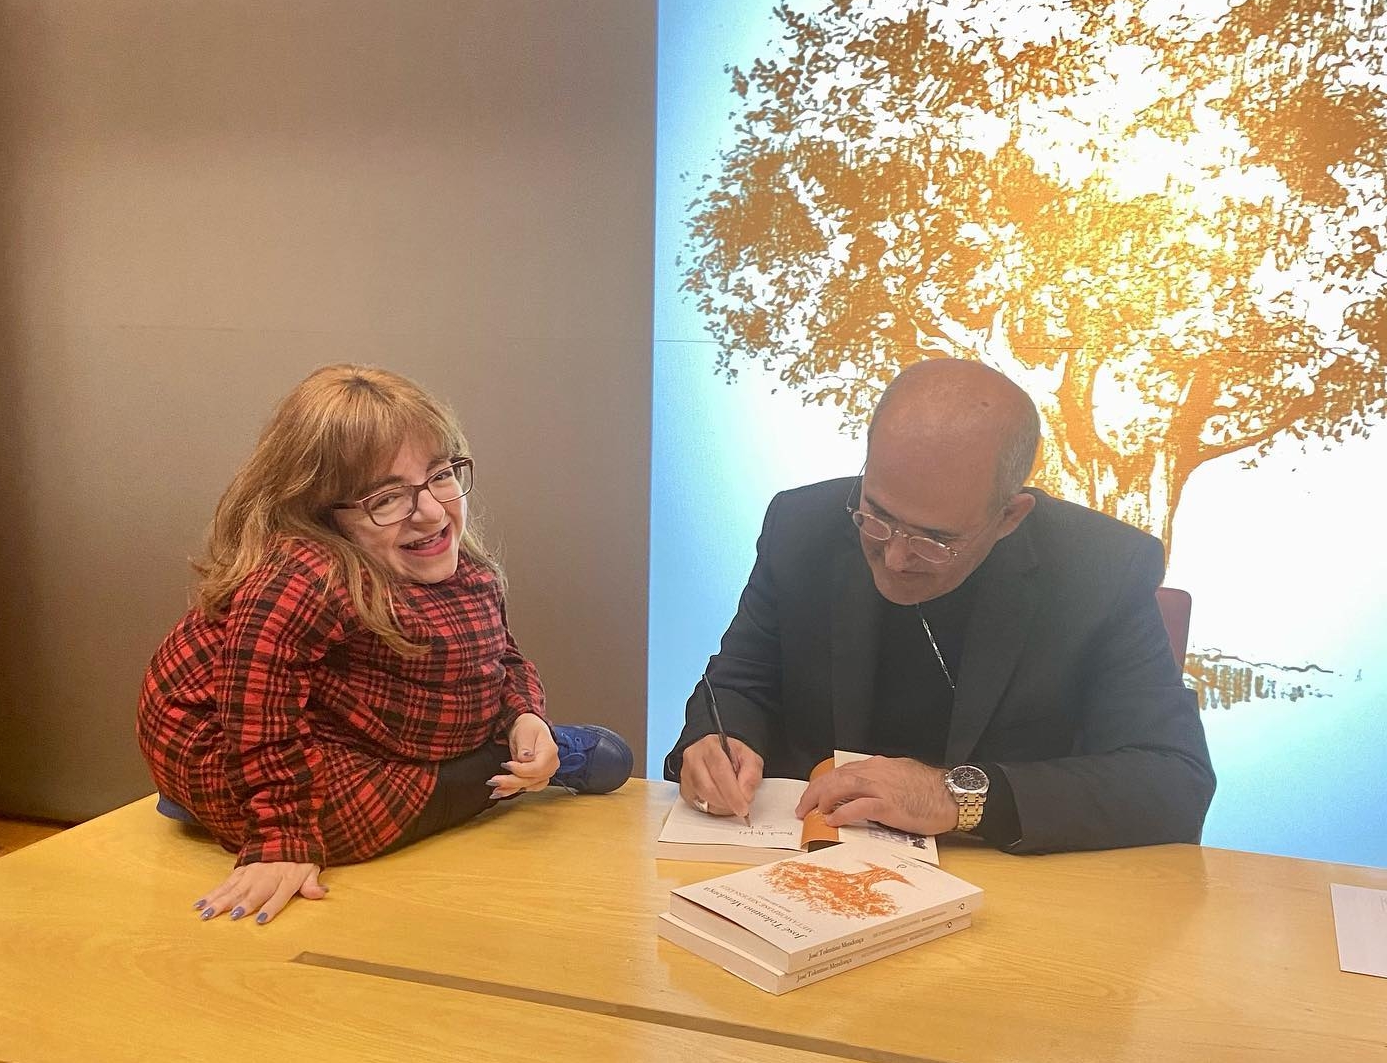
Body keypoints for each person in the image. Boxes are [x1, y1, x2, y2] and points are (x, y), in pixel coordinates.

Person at [138, 364, 632, 924]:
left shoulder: (457, 564)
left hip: (362, 730)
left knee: (462, 746)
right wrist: (281, 837)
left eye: (440, 474)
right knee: (342, 824)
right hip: (230, 737)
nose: (431, 511)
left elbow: (502, 655)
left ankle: (517, 747)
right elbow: (257, 706)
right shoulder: (302, 576)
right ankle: (503, 764)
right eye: (386, 497)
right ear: (316, 513)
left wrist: (523, 714)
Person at [665, 358, 1214, 854]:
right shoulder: (802, 525)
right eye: (876, 517)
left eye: (935, 540)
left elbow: (1173, 779)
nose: (896, 557)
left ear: (1010, 517)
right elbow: (740, 684)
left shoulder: (1101, 568)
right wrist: (717, 744)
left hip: (1005, 886)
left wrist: (956, 796)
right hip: (807, 868)